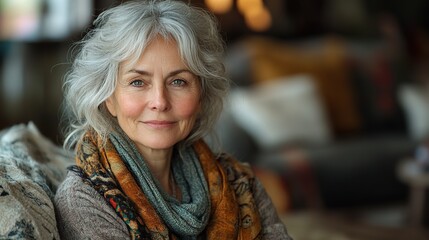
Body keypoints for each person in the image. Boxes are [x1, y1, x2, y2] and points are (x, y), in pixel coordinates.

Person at [55, 0, 292, 239]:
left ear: (201, 95)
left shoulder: (241, 184)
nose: (160, 101)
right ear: (108, 98)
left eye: (178, 81)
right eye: (138, 82)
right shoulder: (86, 199)